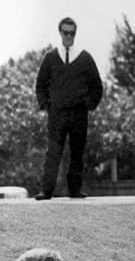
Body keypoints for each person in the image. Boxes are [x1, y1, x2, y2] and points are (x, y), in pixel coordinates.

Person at [34, 17, 104, 200]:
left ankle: (74, 189)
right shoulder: (50, 58)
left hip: (78, 114)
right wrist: (45, 104)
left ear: (75, 34)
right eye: (65, 33)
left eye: (72, 33)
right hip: (57, 114)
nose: (68, 36)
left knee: (77, 152)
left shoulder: (85, 58)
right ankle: (46, 190)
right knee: (53, 152)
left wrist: (88, 104)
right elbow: (40, 84)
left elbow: (97, 86)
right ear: (60, 33)